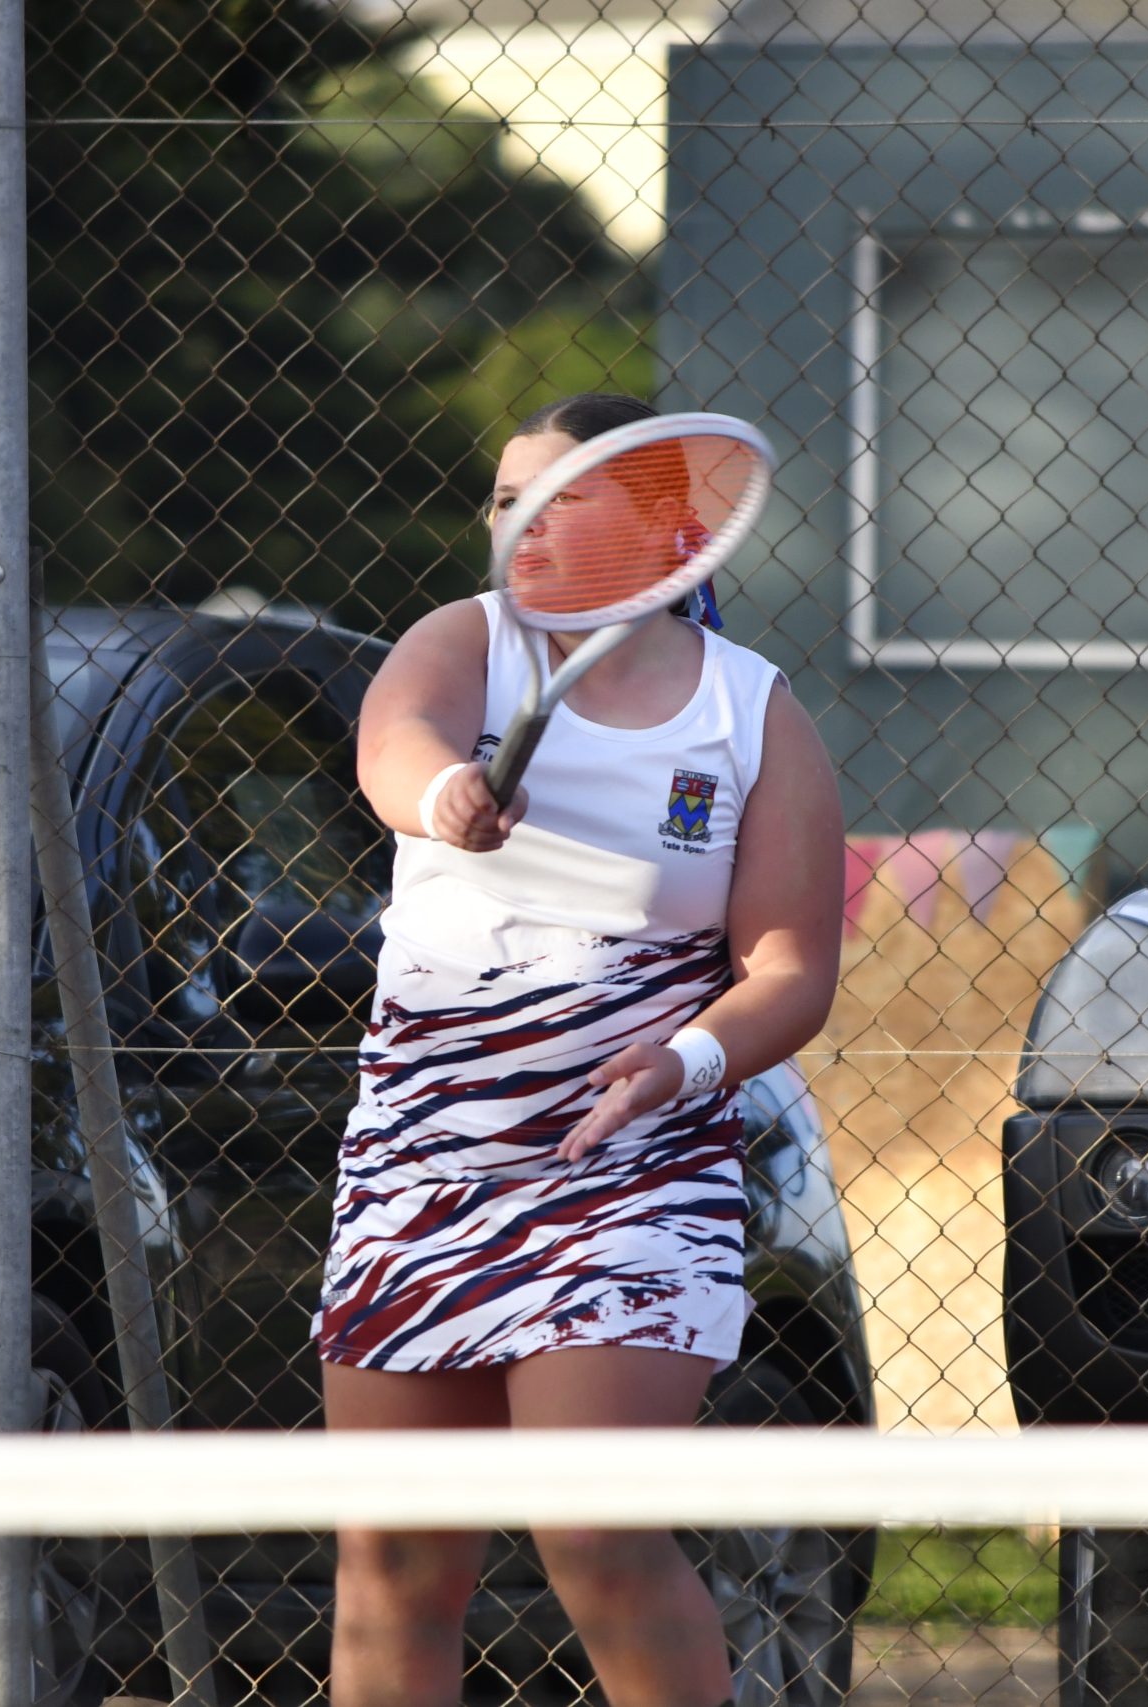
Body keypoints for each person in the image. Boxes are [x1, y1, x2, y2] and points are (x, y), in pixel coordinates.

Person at [317, 392, 845, 1707]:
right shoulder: (465, 642)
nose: (522, 525)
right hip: (422, 1165)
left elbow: (789, 972)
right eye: (507, 502)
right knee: (392, 1563)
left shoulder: (750, 713)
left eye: (561, 499)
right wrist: (446, 793)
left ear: (670, 531)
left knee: (595, 1530)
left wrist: (686, 1063)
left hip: (635, 1176)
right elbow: (394, 744)